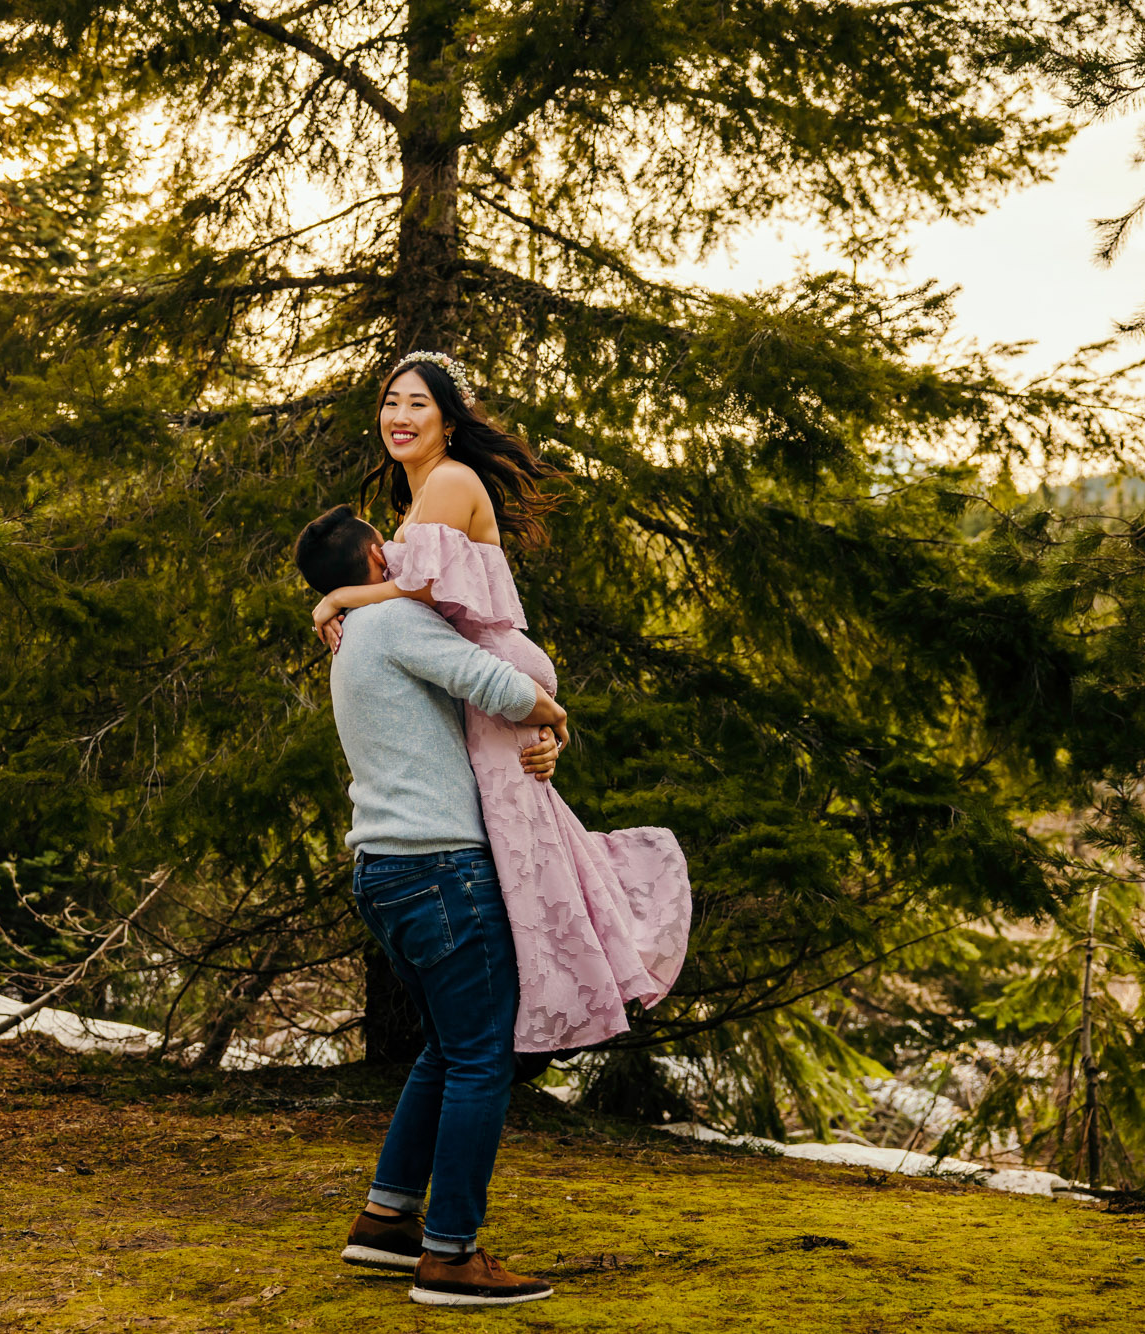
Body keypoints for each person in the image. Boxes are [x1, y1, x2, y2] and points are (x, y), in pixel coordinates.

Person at [310, 350, 694, 1056]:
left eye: (418, 403)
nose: (400, 416)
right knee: (530, 841)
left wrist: (337, 597)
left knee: (523, 851)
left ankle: (564, 991)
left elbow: (423, 590)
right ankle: (543, 996)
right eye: (391, 402)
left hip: (493, 666)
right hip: (489, 678)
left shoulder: (451, 481)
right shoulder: (416, 498)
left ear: (449, 420)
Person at [294, 504, 561, 1307]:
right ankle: (451, 1256)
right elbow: (496, 683)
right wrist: (550, 715)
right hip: (441, 869)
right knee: (485, 1057)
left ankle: (386, 1221)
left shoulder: (354, 638)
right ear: (380, 554)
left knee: (447, 1050)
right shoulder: (395, 625)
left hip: (384, 870)